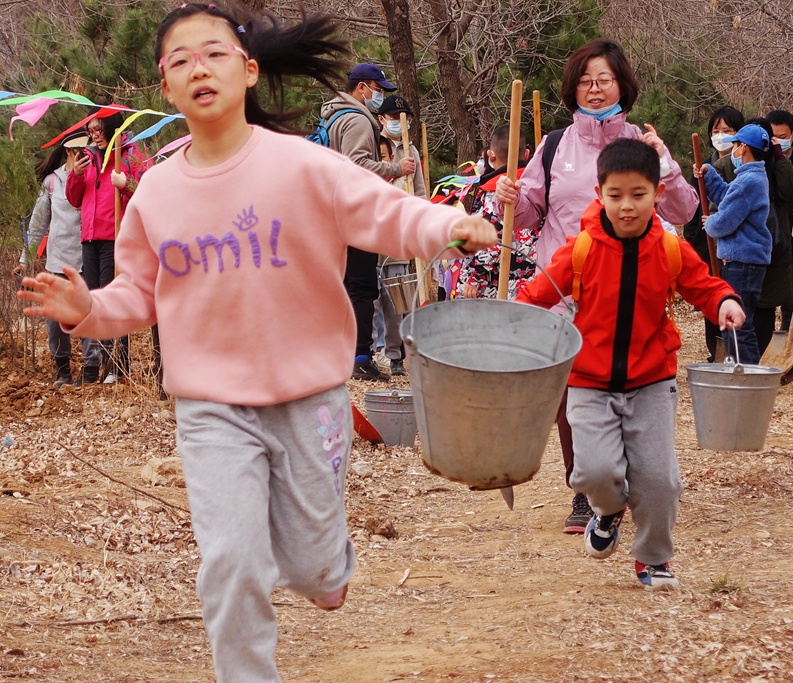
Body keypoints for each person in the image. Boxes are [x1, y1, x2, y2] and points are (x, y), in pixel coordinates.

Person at [17, 4, 495, 680]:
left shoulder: (302, 165)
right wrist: (88, 308)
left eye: (214, 54)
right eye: (181, 61)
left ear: (247, 70)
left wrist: (447, 226)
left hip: (309, 396)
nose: (199, 69)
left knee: (312, 568)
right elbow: (139, 295)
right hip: (210, 407)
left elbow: (384, 212)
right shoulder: (155, 194)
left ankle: (327, 565)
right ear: (166, 87)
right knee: (232, 560)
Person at [516, 138, 743, 590]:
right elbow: (535, 295)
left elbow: (704, 285)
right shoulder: (581, 249)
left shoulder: (669, 248)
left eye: (638, 194)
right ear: (598, 194)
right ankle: (608, 509)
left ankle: (653, 559)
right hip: (588, 382)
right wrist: (512, 327)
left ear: (657, 193)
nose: (626, 206)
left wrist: (725, 302)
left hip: (651, 381)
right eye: (615, 195)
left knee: (659, 481)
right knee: (593, 472)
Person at [494, 38, 700, 533]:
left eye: (603, 79)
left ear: (621, 85)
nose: (594, 89)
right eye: (585, 81)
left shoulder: (642, 144)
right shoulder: (554, 146)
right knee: (573, 392)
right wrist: (509, 195)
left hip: (630, 288)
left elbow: (683, 210)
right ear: (573, 88)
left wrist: (666, 165)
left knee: (633, 386)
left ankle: (634, 477)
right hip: (565, 286)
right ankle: (587, 492)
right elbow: (529, 215)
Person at [321, 62, 415, 381]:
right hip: (353, 213)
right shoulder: (358, 120)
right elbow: (358, 164)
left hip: (331, 212)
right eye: (377, 89)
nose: (379, 96)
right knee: (363, 288)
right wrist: (395, 169)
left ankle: (341, 353)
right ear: (361, 87)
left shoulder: (332, 116)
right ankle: (360, 356)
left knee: (344, 286)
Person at [66, 111, 147, 384]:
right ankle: (103, 362)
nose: (94, 135)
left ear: (112, 127)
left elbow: (147, 191)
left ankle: (119, 365)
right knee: (95, 299)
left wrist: (125, 186)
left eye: (99, 129)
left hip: (116, 236)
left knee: (113, 297)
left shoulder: (130, 153)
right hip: (89, 237)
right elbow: (75, 200)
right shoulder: (88, 157)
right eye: (90, 130)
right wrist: (76, 175)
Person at [693, 123, 772, 364]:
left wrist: (710, 222)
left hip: (742, 262)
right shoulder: (751, 178)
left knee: (738, 324)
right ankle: (743, 371)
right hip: (745, 261)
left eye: (736, 144)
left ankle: (746, 373)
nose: (733, 150)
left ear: (743, 148)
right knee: (739, 321)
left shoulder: (748, 181)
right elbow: (728, 198)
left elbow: (726, 220)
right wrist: (709, 175)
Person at [14, 132, 87, 387]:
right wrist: (25, 258)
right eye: (80, 150)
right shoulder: (52, 182)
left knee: (87, 315)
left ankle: (91, 368)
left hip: (87, 259)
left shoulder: (94, 176)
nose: (86, 155)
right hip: (57, 260)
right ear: (69, 151)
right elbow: (38, 222)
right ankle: (62, 369)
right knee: (56, 320)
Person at [683, 106, 744, 362]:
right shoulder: (702, 167)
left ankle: (739, 350)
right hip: (706, 244)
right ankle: (715, 350)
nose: (721, 136)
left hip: (737, 246)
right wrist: (694, 238)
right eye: (716, 131)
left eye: (727, 131)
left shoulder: (745, 168)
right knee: (712, 295)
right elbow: (692, 209)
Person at [375, 94, 426, 376]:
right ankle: (382, 351)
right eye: (393, 118)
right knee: (379, 298)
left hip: (402, 233)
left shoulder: (411, 151)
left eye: (402, 118)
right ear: (382, 119)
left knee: (403, 296)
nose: (398, 123)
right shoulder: (374, 145)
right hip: (377, 230)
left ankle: (401, 353)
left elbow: (419, 190)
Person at [456, 123, 535, 300]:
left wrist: (474, 277)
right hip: (535, 282)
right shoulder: (539, 185)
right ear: (526, 154)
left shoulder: (498, 190)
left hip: (501, 284)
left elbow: (491, 238)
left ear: (490, 155)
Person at [765, 109, 793, 333]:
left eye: (783, 136)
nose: (777, 141)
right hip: (771, 234)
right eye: (773, 137)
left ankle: (790, 330)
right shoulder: (763, 158)